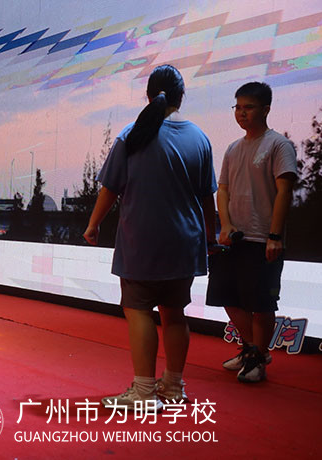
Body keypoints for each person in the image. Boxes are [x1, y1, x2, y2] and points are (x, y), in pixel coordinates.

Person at [83, 65, 217, 410]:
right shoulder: (199, 138)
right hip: (185, 243)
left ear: (148, 95)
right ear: (181, 97)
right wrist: (211, 236)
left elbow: (110, 188)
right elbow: (207, 198)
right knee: (175, 313)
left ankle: (144, 391)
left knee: (138, 309)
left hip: (142, 240)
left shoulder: (133, 134)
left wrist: (94, 224)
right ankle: (173, 387)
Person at [206, 82, 298, 383]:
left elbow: (285, 191)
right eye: (238, 107)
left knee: (260, 303)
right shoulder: (233, 148)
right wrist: (226, 225)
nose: (241, 113)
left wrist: (275, 236)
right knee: (226, 296)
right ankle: (253, 350)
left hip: (262, 239)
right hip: (233, 238)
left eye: (248, 107)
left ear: (265, 109)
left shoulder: (278, 145)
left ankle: (257, 357)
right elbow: (222, 190)